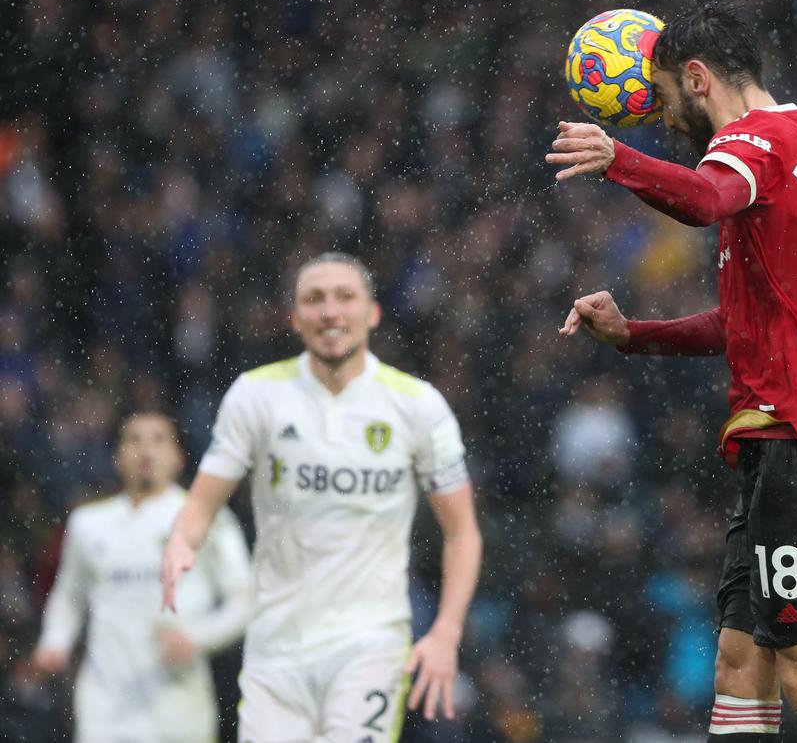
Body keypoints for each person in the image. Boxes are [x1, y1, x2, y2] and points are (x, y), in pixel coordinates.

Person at [548, 3, 797, 743]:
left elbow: (703, 199)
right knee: (739, 666)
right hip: (786, 440)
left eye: (666, 100)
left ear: (697, 78)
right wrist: (635, 335)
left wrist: (619, 161)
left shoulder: (756, 140)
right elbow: (741, 326)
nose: (667, 121)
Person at [160, 252, 483, 743]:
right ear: (294, 318)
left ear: (372, 313)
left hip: (370, 643)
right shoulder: (256, 395)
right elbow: (202, 504)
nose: (330, 311)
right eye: (314, 300)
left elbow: (461, 533)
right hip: (276, 647)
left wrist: (446, 633)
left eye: (344, 297)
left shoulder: (418, 406)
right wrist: (182, 540)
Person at [33, 412, 253, 743]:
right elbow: (70, 595)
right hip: (105, 704)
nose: (146, 450)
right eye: (134, 440)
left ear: (179, 456)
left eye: (158, 439)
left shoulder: (206, 518)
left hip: (179, 705)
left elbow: (244, 600)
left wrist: (197, 638)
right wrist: (54, 642)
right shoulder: (88, 523)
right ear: (117, 456)